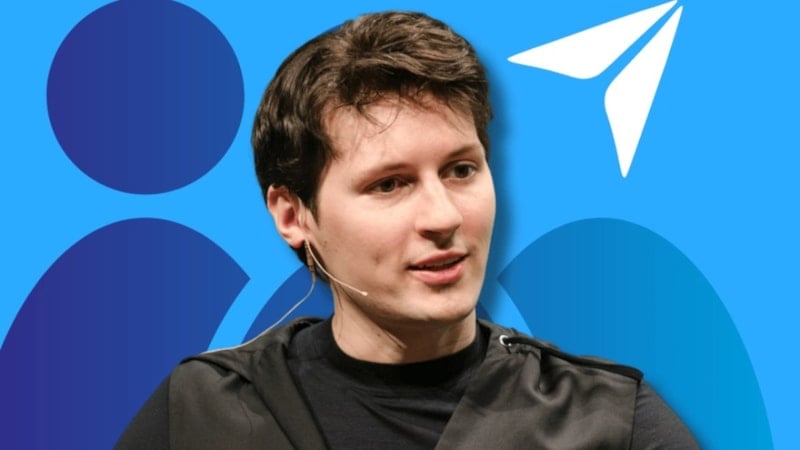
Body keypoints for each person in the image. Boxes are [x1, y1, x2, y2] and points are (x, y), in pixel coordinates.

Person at [116, 11, 698, 449]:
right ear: (293, 215)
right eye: (389, 184)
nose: (443, 217)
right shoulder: (199, 413)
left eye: (461, 170)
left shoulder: (612, 423)